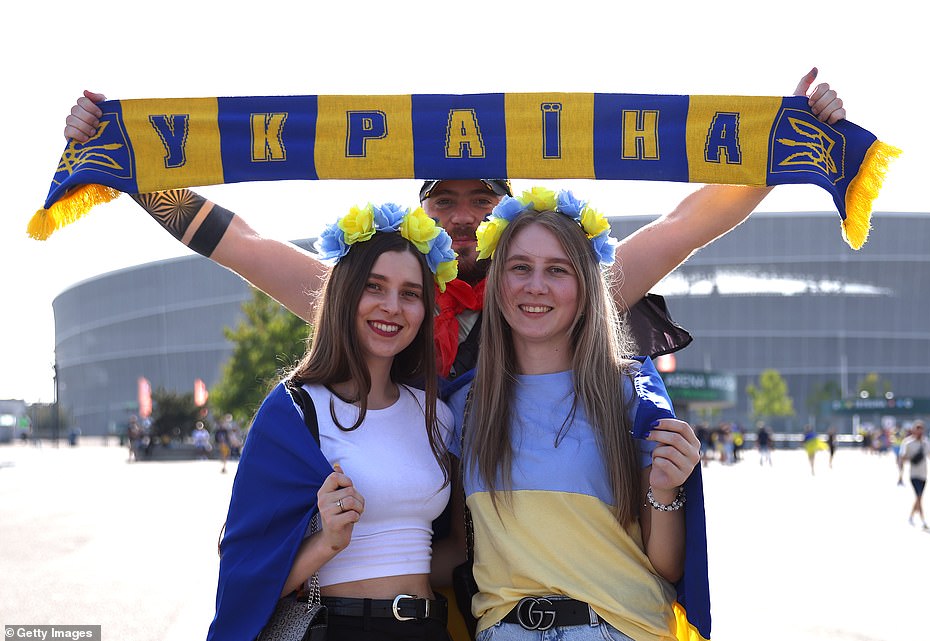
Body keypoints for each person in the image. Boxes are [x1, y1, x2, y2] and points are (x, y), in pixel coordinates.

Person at [62, 69, 846, 379]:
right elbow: (242, 244)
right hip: (407, 565)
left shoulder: (562, 288)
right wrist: (127, 167)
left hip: (534, 569)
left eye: (482, 201)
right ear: (422, 211)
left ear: (508, 208)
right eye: (447, 203)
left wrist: (791, 141)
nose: (467, 218)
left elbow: (687, 222)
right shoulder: (379, 297)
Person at [446, 189, 702, 641]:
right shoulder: (463, 405)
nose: (535, 285)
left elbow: (667, 563)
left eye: (557, 270)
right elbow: (455, 549)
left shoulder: (629, 392)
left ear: (585, 285)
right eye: (520, 267)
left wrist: (667, 488)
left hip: (620, 629)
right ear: (497, 281)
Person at [210, 204, 458, 641]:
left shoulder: (438, 413)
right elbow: (244, 579)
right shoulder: (294, 410)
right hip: (339, 628)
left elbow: (452, 551)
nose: (392, 307)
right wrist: (326, 542)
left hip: (428, 630)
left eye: (410, 293)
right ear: (344, 294)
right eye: (374, 287)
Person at [897, 420, 930, 529]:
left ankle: (911, 516)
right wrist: (901, 473)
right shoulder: (907, 443)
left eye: (921, 430)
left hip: (924, 474)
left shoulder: (926, 442)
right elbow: (902, 458)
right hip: (913, 474)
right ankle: (923, 521)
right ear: (913, 430)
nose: (919, 432)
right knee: (918, 496)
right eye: (917, 430)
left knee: (919, 497)